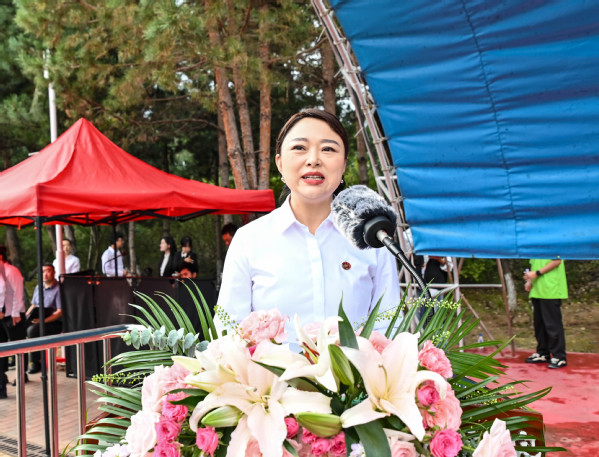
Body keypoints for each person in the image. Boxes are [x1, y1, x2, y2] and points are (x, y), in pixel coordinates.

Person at [217, 109, 401, 342]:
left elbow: (389, 327)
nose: (313, 159)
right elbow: (228, 332)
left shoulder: (372, 238)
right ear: (279, 163)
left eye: (328, 149)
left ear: (344, 164)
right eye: (299, 147)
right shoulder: (249, 240)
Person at [523, 259, 568, 369]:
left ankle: (559, 356)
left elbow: (557, 261)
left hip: (551, 289)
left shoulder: (553, 246)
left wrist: (537, 273)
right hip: (537, 290)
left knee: (552, 325)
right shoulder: (535, 249)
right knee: (539, 324)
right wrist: (529, 281)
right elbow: (533, 267)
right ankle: (543, 352)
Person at [25, 263, 63, 374]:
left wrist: (42, 321)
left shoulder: (59, 288)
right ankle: (19, 363)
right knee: (19, 327)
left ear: (54, 272)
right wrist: (26, 316)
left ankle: (36, 363)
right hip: (37, 318)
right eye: (42, 272)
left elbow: (59, 312)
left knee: (32, 330)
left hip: (54, 322)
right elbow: (33, 305)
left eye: (48, 271)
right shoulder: (38, 287)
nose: (45, 274)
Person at [0, 247, 28, 398]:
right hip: (2, 314)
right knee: (2, 346)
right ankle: (3, 375)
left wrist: (16, 313)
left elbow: (18, 292)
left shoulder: (11, 271)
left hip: (14, 314)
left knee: (18, 345)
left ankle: (22, 374)